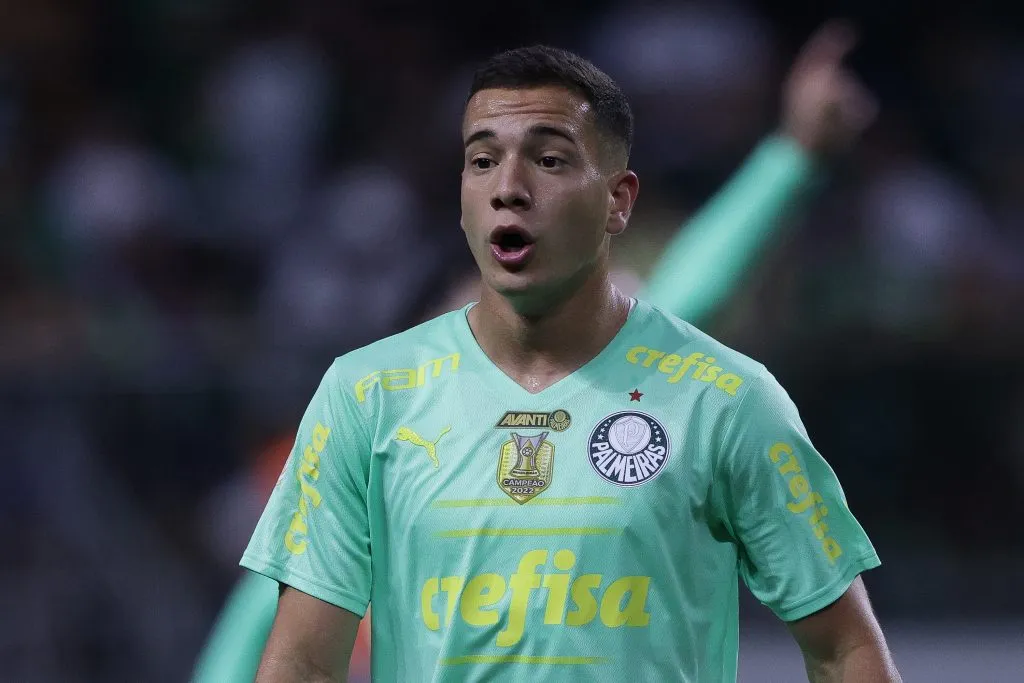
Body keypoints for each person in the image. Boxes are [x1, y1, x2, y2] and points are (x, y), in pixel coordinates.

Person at [229, 24, 901, 683]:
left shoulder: (707, 393)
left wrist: (792, 157)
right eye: (483, 160)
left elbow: (843, 649)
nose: (509, 189)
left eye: (549, 160)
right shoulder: (367, 398)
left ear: (617, 202)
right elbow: (279, 658)